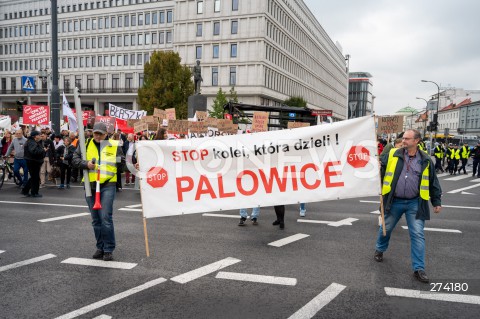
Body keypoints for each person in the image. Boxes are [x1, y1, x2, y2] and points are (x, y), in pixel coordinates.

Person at [374, 129, 442, 283]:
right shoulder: (393, 154)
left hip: (415, 203)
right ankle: (379, 249)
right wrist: (377, 164)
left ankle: (419, 268)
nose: (403, 141)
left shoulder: (425, 160)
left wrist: (436, 201)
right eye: (403, 138)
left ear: (416, 141)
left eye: (407, 138)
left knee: (417, 234)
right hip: (394, 200)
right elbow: (378, 165)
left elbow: (433, 182)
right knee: (386, 228)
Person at [72, 122, 125, 261]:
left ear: (106, 134)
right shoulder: (85, 144)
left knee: (105, 218)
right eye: (95, 133)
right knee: (96, 220)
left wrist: (128, 166)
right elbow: (74, 159)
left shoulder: (114, 145)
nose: (97, 136)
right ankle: (100, 247)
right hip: (90, 185)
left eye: (100, 134)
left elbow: (122, 162)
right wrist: (86, 164)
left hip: (108, 184)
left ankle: (108, 249)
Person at [22, 131, 45, 198]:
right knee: (35, 178)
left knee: (34, 177)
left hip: (33, 161)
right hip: (33, 161)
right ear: (35, 136)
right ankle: (34, 192)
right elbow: (34, 151)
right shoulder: (31, 142)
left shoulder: (33, 141)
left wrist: (42, 150)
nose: (40, 136)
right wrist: (43, 150)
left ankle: (26, 190)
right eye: (39, 135)